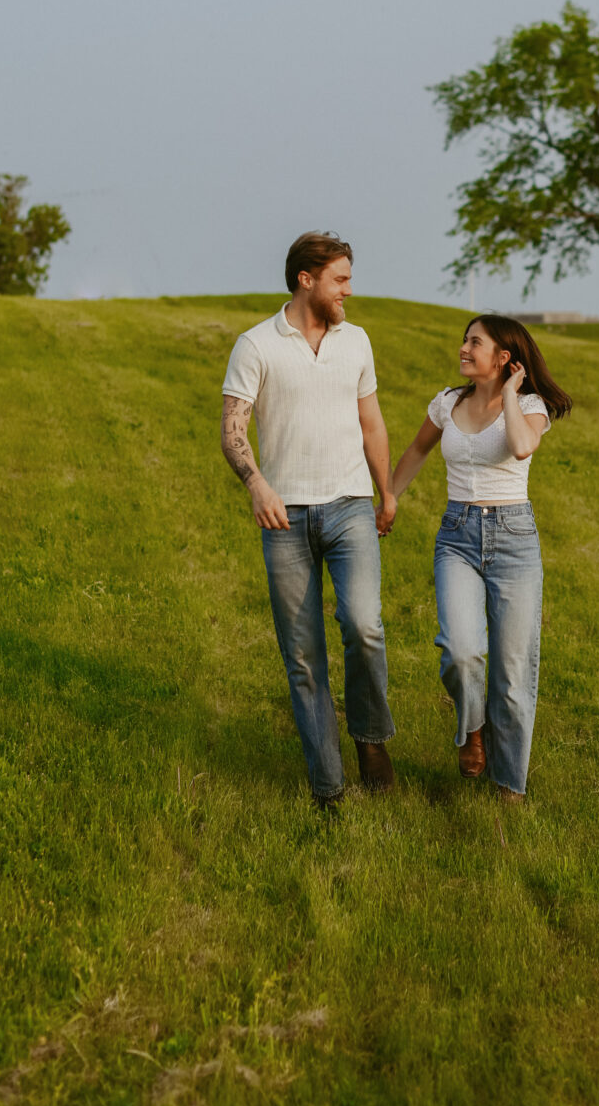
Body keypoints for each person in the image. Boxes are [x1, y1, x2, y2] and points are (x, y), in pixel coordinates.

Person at [220, 232, 397, 807]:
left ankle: (369, 737)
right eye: (340, 279)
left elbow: (371, 423)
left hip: (350, 507)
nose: (350, 289)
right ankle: (329, 787)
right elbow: (232, 430)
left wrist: (385, 491)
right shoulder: (256, 345)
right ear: (307, 280)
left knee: (364, 626)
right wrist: (256, 484)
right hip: (285, 521)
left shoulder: (357, 341)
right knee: (302, 656)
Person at [391, 315, 571, 801]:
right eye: (465, 340)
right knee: (460, 649)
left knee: (513, 672)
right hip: (456, 536)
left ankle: (508, 784)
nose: (463, 348)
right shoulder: (448, 403)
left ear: (505, 357)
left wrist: (510, 393)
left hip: (514, 538)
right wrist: (388, 499)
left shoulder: (531, 406)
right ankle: (472, 729)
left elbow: (520, 447)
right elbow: (416, 451)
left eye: (476, 342)